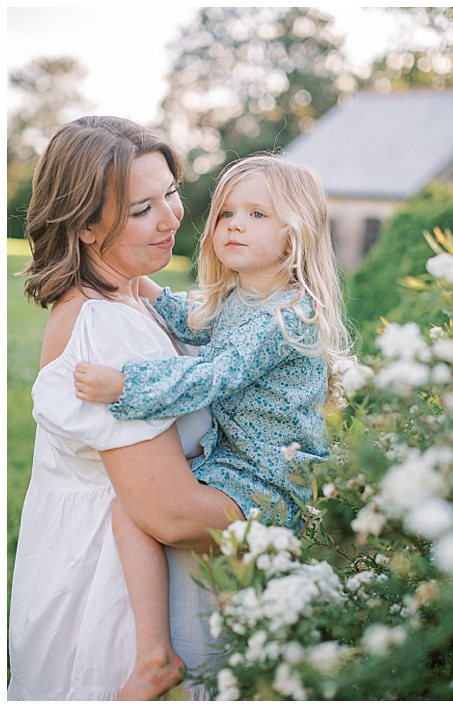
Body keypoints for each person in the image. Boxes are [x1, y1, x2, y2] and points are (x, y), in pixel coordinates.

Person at [73, 155, 352, 698]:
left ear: (294, 239)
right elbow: (189, 318)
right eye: (226, 213)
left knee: (155, 527)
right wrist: (133, 280)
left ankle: (179, 662)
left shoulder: (288, 315)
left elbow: (216, 374)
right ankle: (159, 654)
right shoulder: (242, 298)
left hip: (273, 484)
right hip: (233, 468)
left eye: (255, 214)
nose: (234, 225)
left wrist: (125, 386)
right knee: (135, 515)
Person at [8, 116, 243, 700]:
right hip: (114, 605)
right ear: (85, 225)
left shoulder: (134, 291)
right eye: (142, 210)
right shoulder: (106, 328)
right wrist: (313, 517)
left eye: (169, 193)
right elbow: (171, 513)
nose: (171, 219)